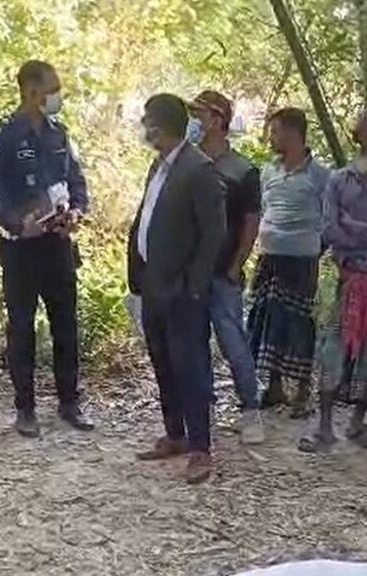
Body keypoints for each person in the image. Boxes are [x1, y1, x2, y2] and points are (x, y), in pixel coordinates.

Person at [0, 60, 93, 437]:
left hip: (57, 244)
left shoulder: (59, 134)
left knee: (65, 324)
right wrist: (15, 222)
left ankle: (69, 402)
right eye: (52, 88)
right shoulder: (1, 136)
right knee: (21, 327)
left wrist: (76, 212)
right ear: (31, 90)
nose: (57, 95)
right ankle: (25, 409)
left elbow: (76, 182)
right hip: (20, 249)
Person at [300, 107, 367, 453]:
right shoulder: (338, 180)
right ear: (358, 137)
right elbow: (330, 228)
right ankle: (323, 425)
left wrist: (357, 228)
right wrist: (366, 236)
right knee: (332, 348)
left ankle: (359, 421)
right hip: (348, 278)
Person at [129, 94, 226, 484]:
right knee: (162, 362)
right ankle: (175, 434)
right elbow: (147, 217)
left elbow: (214, 233)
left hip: (183, 289)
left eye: (147, 120)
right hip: (153, 282)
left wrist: (195, 284)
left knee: (190, 367)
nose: (143, 127)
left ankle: (201, 448)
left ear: (160, 125)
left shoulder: (199, 169)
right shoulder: (159, 165)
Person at [187, 90, 264, 445]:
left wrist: (237, 264)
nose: (193, 120)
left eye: (198, 113)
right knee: (193, 342)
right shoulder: (187, 164)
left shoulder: (243, 170)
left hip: (223, 272)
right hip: (190, 272)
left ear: (217, 119)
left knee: (233, 342)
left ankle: (250, 410)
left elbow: (251, 222)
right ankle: (204, 410)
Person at [248, 108, 330, 421]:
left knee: (298, 322)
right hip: (270, 257)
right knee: (268, 319)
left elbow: (330, 217)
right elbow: (263, 209)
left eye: (275, 131)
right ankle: (274, 386)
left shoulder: (321, 176)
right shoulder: (268, 171)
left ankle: (303, 391)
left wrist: (316, 247)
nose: (270, 137)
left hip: (302, 259)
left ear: (293, 133)